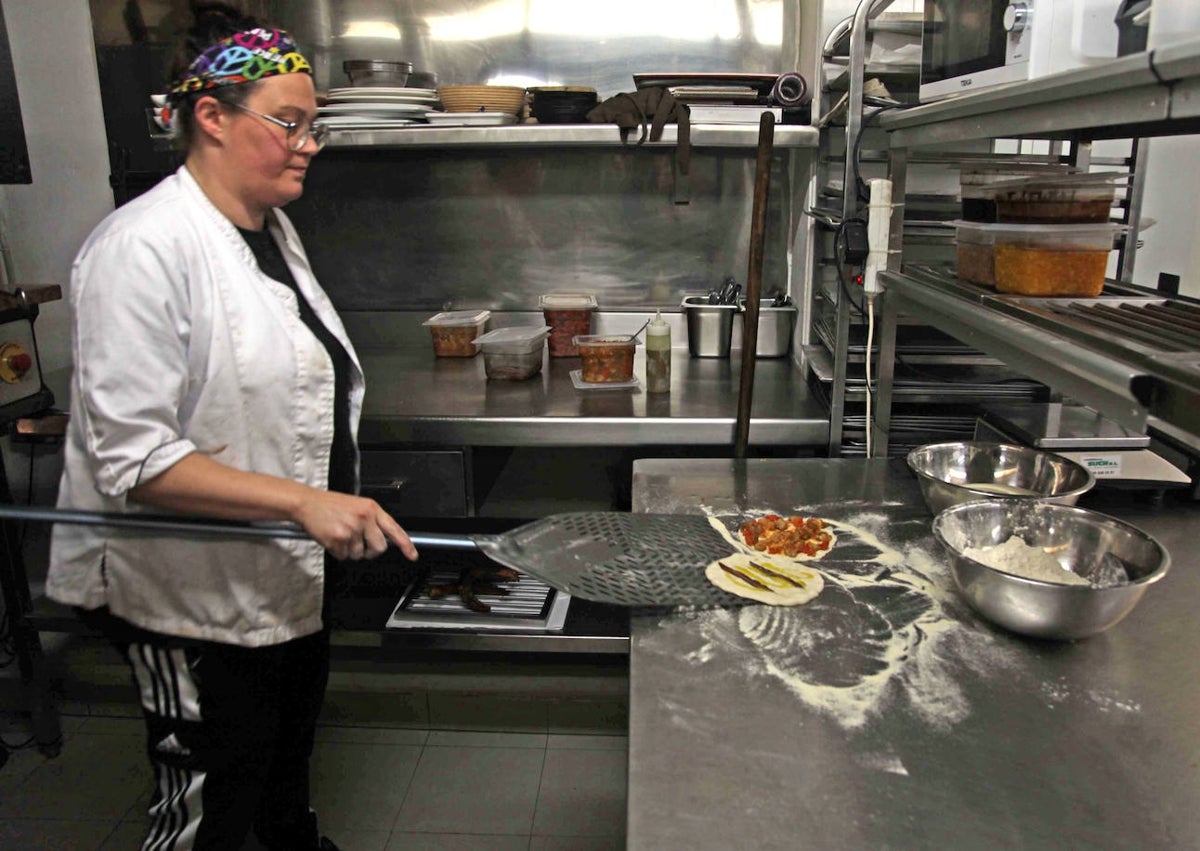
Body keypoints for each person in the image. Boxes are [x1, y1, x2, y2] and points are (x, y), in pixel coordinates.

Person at [46, 6, 417, 849]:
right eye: (288, 123)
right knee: (209, 803)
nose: (309, 144)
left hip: (283, 578)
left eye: (312, 125)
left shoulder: (269, 231)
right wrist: (301, 502)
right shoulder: (140, 249)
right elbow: (132, 459)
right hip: (189, 595)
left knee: (281, 769)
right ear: (210, 115)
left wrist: (313, 506)